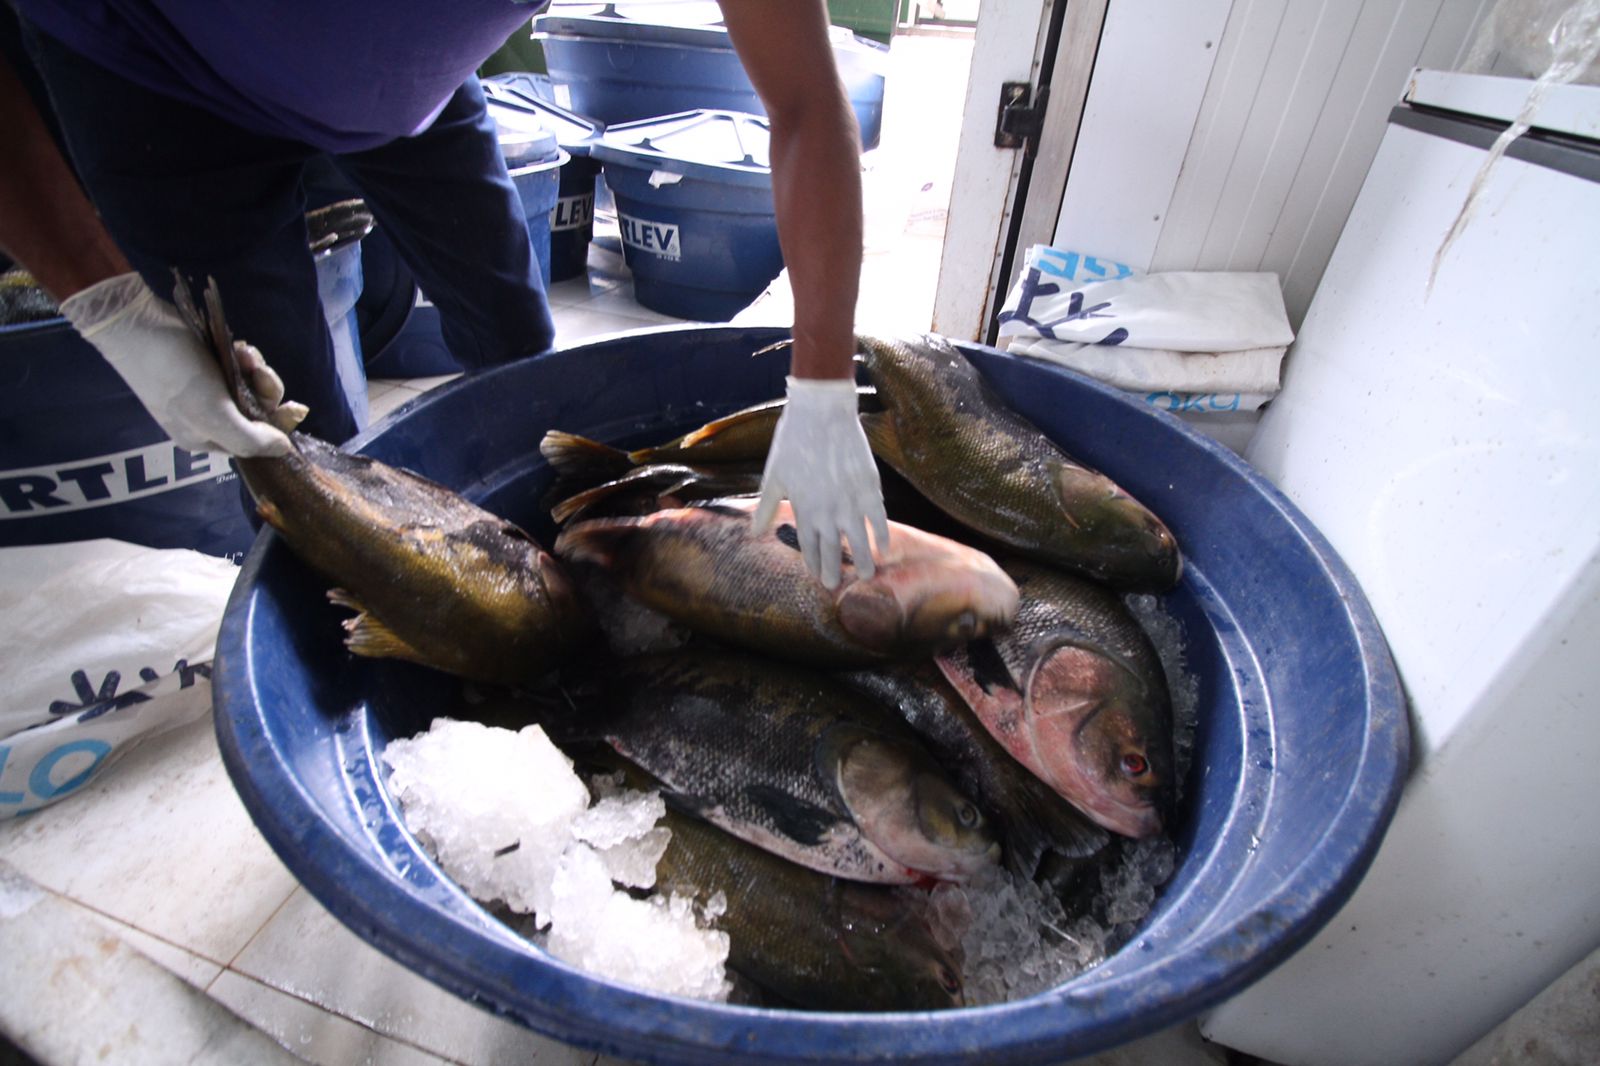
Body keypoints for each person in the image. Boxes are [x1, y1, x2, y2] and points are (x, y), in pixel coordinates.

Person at [0, 0, 888, 589]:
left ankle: (549, 571)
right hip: (157, 76)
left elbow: (807, 104)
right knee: (299, 459)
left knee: (517, 338)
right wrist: (106, 302)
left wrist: (818, 390)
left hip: (407, 87)